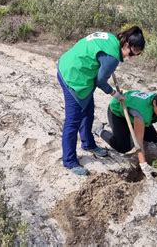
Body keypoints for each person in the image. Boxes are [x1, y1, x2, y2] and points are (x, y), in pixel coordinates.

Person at [57, 26, 145, 176]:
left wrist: (107, 67)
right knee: (73, 122)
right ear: (126, 45)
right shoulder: (112, 58)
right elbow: (100, 82)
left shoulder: (111, 39)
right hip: (74, 77)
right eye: (131, 54)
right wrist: (114, 94)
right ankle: (69, 161)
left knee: (88, 112)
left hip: (72, 64)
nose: (129, 58)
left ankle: (88, 144)